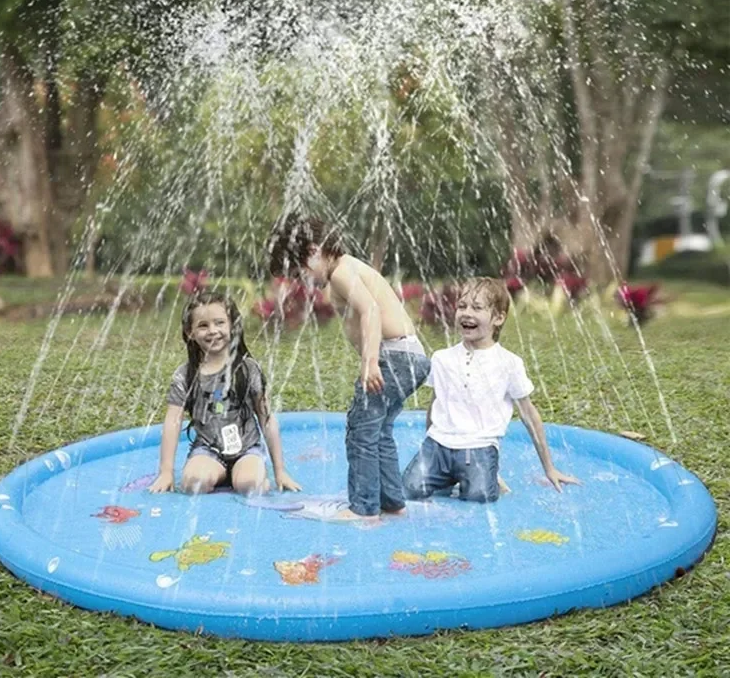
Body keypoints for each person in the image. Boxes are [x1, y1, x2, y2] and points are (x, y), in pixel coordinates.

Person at [267, 214, 430, 522]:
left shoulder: (342, 270)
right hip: (410, 356)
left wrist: (370, 361)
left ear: (314, 251)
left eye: (301, 272)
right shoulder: (347, 268)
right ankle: (392, 502)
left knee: (361, 431)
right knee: (379, 431)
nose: (304, 281)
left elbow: (370, 309)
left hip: (390, 356)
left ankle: (364, 508)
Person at [402, 277, 580, 503]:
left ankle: (487, 474)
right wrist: (426, 449)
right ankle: (450, 476)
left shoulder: (508, 363)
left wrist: (549, 468)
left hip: (479, 448)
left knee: (480, 497)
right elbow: (435, 405)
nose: (467, 313)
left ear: (498, 318)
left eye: (477, 308)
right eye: (462, 306)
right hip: (438, 446)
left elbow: (529, 414)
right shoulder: (442, 358)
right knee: (408, 492)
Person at [149, 290, 301, 496]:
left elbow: (266, 419)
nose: (213, 331)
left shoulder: (248, 369)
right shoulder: (185, 376)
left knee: (251, 485)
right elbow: (172, 422)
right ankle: (220, 473)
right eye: (203, 325)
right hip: (208, 450)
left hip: (247, 449)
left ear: (232, 326)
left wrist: (280, 471)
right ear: (190, 332)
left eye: (219, 323)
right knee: (194, 484)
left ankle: (248, 474)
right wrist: (166, 472)